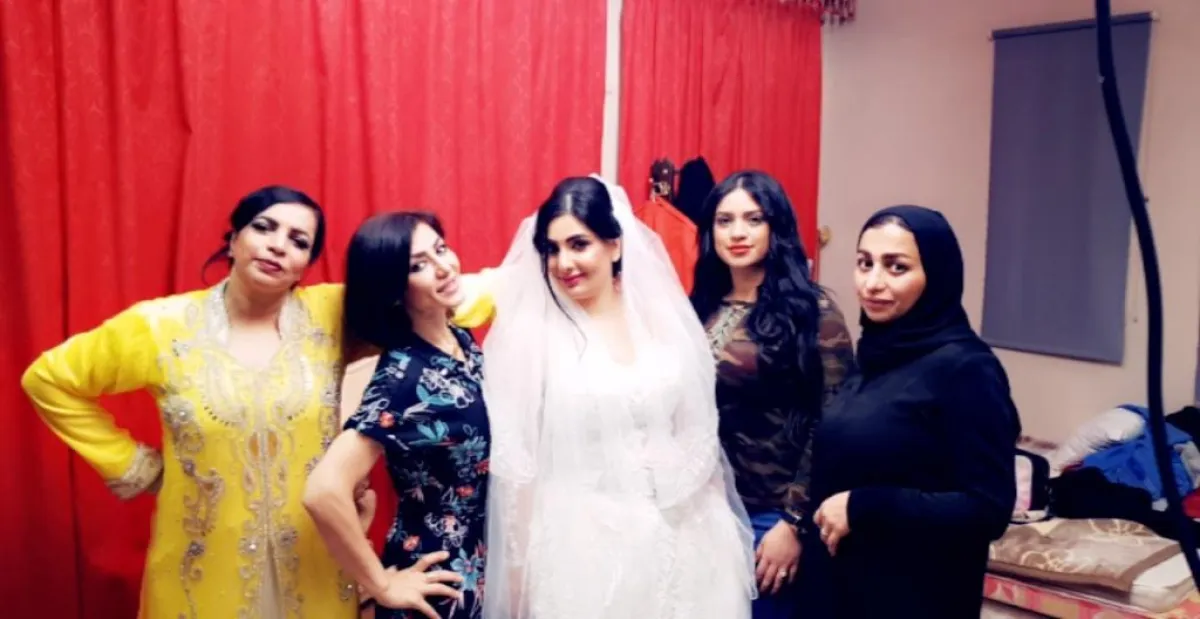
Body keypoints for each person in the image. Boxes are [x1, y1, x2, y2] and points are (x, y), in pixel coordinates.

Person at [21, 185, 367, 618]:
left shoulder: (333, 314)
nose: (278, 245)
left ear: (306, 265)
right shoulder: (160, 327)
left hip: (315, 564)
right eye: (264, 227)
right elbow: (47, 380)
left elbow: (429, 301)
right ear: (234, 239)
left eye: (299, 241)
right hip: (202, 571)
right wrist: (134, 466)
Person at [477, 175, 756, 619]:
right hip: (585, 551)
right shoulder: (530, 337)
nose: (564, 262)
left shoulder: (661, 317)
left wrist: (714, 523)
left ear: (615, 245)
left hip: (688, 535)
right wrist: (518, 575)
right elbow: (518, 470)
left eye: (579, 244)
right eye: (552, 249)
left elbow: (697, 426)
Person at [801, 205, 1019, 618]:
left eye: (896, 267)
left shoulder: (967, 369)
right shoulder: (876, 355)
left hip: (913, 596)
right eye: (864, 263)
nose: (873, 283)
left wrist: (865, 507)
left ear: (935, 275)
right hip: (842, 589)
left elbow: (987, 509)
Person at [304, 212, 486, 619]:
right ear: (394, 290)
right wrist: (381, 584)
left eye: (441, 249)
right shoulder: (403, 376)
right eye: (418, 265)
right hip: (437, 583)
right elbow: (322, 490)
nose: (443, 267)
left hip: (476, 565)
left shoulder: (460, 340)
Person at [691, 171, 855, 619]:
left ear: (775, 227)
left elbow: (834, 422)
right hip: (706, 509)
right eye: (724, 220)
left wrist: (793, 523)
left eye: (753, 219)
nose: (737, 233)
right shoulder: (701, 305)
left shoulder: (812, 311)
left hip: (773, 515)